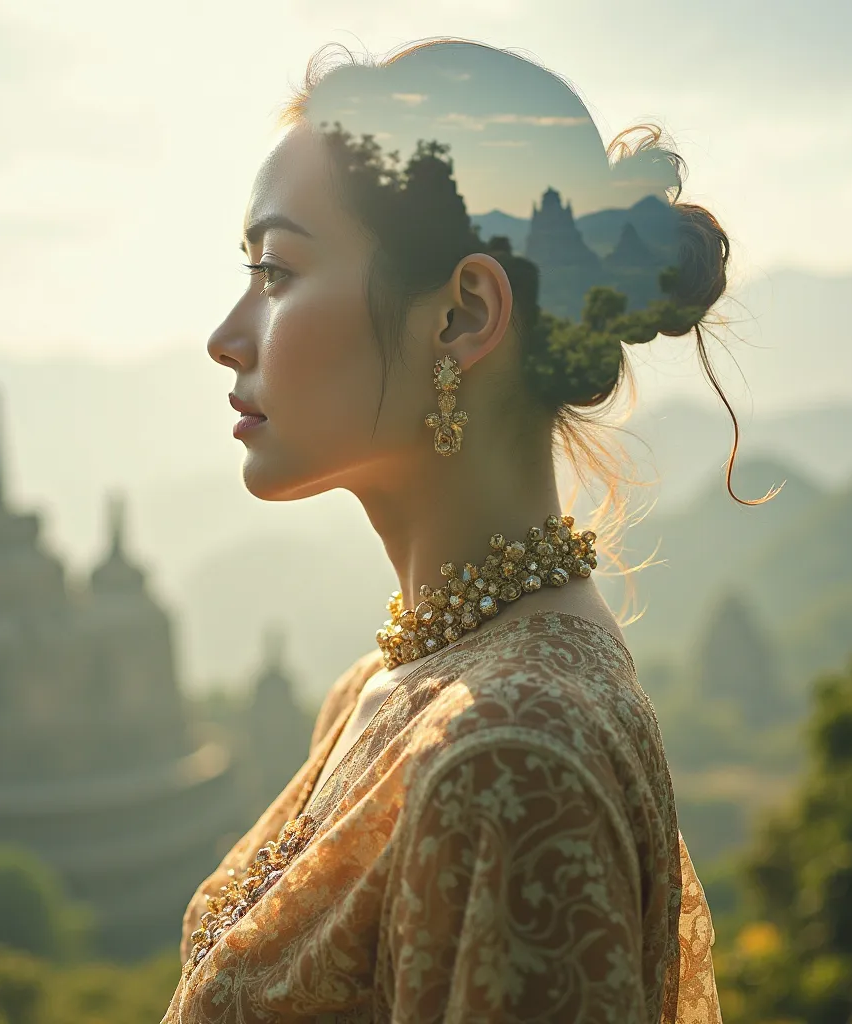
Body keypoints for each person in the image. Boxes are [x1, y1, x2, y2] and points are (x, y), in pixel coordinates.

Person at [161, 36, 774, 1023]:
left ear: (461, 317)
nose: (227, 334)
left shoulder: (510, 754)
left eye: (276, 272)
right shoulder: (384, 685)